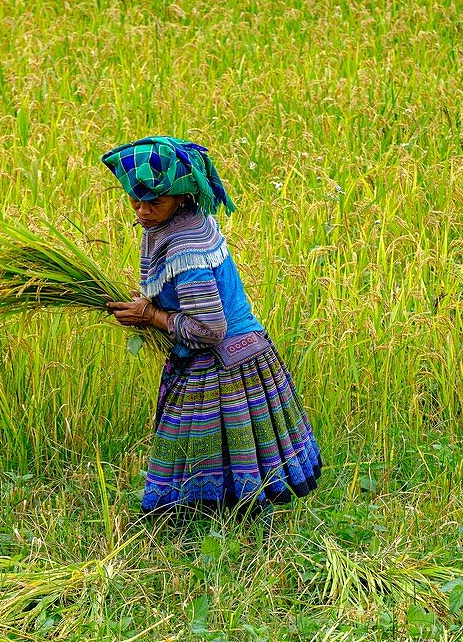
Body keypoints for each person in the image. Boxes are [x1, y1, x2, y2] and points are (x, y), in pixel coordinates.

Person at [102, 136, 321, 521]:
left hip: (225, 363)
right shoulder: (178, 222)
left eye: (155, 202)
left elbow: (208, 329)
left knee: (201, 446)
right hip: (246, 352)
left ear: (182, 196)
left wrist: (149, 315)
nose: (143, 211)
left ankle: (214, 532)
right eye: (135, 201)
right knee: (233, 455)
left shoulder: (186, 248)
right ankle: (227, 525)